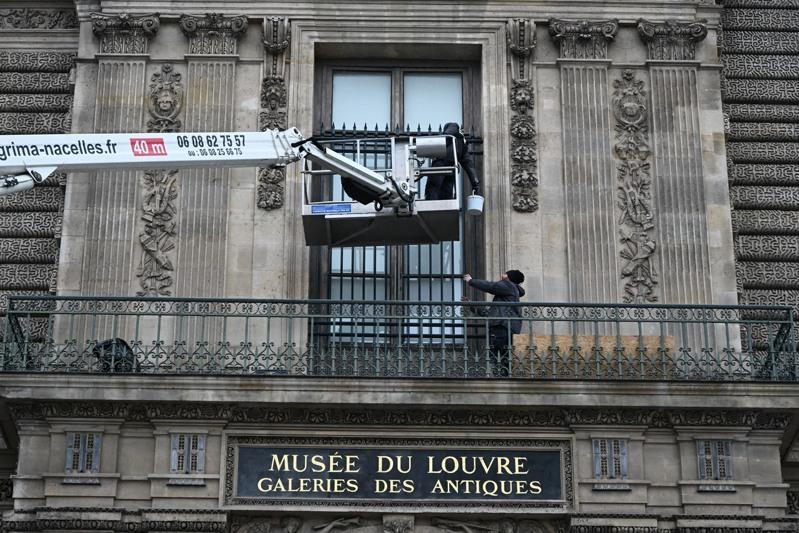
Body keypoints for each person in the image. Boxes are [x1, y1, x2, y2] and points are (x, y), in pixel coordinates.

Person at [462, 269, 525, 377]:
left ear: (508, 277)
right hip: (505, 327)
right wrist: (471, 305)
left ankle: (501, 379)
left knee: (497, 358)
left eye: (505, 273)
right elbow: (489, 314)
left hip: (501, 327)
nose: (502, 275)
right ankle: (503, 378)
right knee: (503, 358)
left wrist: (471, 281)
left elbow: (491, 286)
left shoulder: (508, 286)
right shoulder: (507, 295)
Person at [425, 122, 480, 200]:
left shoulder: (453, 127)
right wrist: (475, 183)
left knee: (433, 190)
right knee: (447, 194)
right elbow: (468, 164)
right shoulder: (462, 145)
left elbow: (447, 135)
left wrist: (433, 149)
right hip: (451, 169)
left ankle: (430, 205)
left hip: (439, 166)